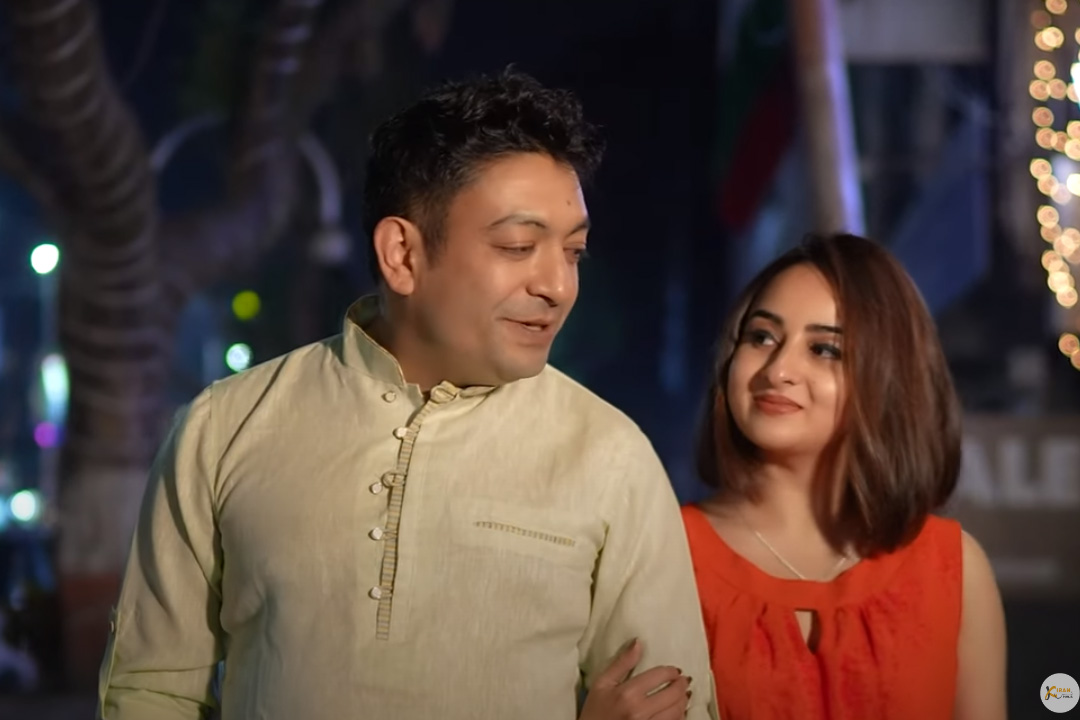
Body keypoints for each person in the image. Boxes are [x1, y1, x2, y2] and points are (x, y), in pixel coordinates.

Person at [96, 69, 718, 720]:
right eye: (518, 246)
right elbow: (150, 692)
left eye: (574, 252)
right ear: (402, 254)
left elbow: (672, 703)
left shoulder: (610, 456)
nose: (558, 286)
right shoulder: (225, 426)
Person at [682, 233, 1006, 720]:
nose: (778, 370)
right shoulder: (668, 551)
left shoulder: (954, 569)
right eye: (761, 337)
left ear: (889, 377)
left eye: (824, 349)